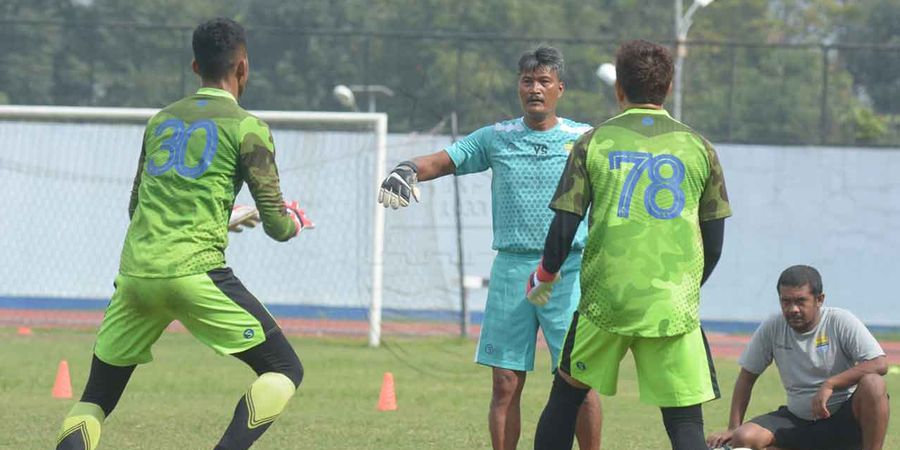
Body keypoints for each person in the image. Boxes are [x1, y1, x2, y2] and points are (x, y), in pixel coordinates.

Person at [54, 18, 313, 450]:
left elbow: (138, 207)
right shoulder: (248, 127)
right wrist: (294, 222)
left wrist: (223, 217)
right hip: (197, 273)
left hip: (137, 276)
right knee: (284, 369)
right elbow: (276, 224)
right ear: (243, 67)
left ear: (195, 67)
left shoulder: (160, 121)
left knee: (96, 398)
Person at [378, 46, 602, 450]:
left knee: (580, 379)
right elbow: (446, 160)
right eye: (527, 81)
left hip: (569, 273)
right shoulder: (496, 138)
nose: (535, 89)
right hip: (513, 272)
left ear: (560, 89)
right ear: (519, 87)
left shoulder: (584, 140)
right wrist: (408, 167)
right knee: (504, 383)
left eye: (544, 82)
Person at [528, 39, 732, 450]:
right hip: (671, 303)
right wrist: (686, 286)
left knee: (566, 398)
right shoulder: (699, 147)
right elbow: (714, 241)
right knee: (685, 420)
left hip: (607, 298)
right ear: (669, 86)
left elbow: (565, 224)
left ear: (619, 87)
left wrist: (544, 275)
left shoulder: (593, 142)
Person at [706, 265, 889, 450]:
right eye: (786, 301)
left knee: (873, 384)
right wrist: (733, 427)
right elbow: (746, 377)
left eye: (801, 301)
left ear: (819, 300)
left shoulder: (840, 321)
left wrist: (831, 384)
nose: (793, 309)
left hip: (841, 419)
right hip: (798, 420)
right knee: (744, 437)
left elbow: (880, 363)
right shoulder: (773, 326)